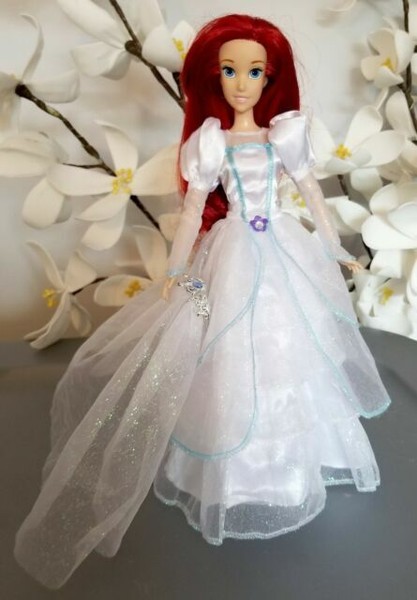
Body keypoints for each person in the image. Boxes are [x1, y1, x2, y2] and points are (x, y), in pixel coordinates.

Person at [15, 14, 390, 589]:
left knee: (293, 346)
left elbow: (312, 193)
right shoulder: (210, 143)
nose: (242, 83)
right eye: (230, 71)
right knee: (230, 349)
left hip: (283, 247)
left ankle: (297, 464)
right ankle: (239, 474)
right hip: (232, 250)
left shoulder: (285, 136)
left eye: (255, 72)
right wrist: (175, 270)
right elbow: (193, 209)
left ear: (271, 78)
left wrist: (334, 247)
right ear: (214, 78)